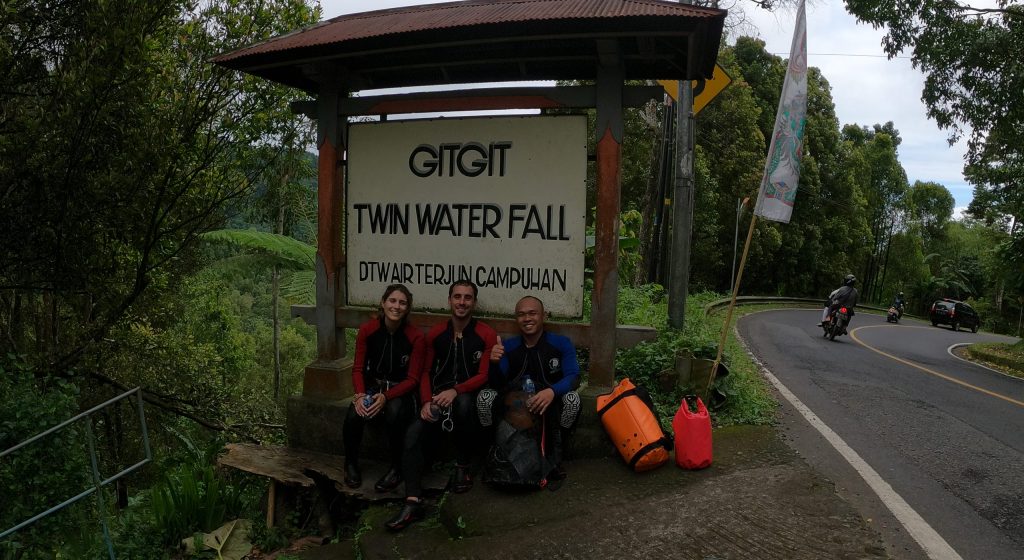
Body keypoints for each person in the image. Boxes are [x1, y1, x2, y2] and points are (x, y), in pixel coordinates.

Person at [385, 280, 498, 531]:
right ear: (449, 300)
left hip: (466, 398)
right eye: (457, 297)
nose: (462, 302)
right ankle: (412, 500)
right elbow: (425, 371)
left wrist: (455, 390)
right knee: (413, 433)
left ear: (474, 303)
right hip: (437, 399)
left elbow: (483, 375)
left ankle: (462, 466)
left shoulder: (485, 334)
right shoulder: (436, 334)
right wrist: (426, 402)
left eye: (467, 298)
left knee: (465, 404)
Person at [477, 295, 581, 483]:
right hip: (516, 406)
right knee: (484, 397)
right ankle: (492, 454)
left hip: (550, 403)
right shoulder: (508, 346)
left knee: (573, 400)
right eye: (521, 314)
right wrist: (493, 363)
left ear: (544, 316)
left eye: (532, 313)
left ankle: (556, 456)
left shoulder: (561, 343)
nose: (527, 319)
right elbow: (497, 384)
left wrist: (552, 392)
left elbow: (574, 376)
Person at [343, 284, 425, 493]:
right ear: (383, 303)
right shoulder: (367, 331)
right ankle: (351, 464)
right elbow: (358, 368)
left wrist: (386, 397)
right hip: (372, 387)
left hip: (400, 390)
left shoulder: (415, 336)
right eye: (392, 301)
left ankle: (396, 468)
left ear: (407, 309)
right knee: (354, 414)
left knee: (395, 413)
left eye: (402, 303)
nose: (396, 306)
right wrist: (360, 395)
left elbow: (413, 379)